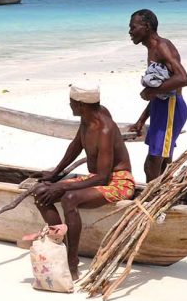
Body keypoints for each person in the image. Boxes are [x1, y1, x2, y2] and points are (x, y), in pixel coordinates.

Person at [33, 83, 135, 279]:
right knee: (41, 192)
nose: (69, 105)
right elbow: (76, 146)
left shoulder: (105, 128)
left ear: (81, 105)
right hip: (96, 178)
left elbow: (104, 178)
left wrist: (61, 186)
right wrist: (55, 174)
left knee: (69, 198)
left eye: (71, 102)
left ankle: (72, 262)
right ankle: (60, 248)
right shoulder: (87, 118)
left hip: (118, 182)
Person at [128, 9, 187, 181]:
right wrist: (141, 120)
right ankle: (162, 195)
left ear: (146, 26)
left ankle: (151, 200)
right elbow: (162, 88)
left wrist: (151, 91)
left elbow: (183, 79)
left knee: (152, 163)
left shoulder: (162, 47)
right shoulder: (152, 49)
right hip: (161, 107)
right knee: (163, 161)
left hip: (171, 107)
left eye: (133, 27)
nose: (130, 32)